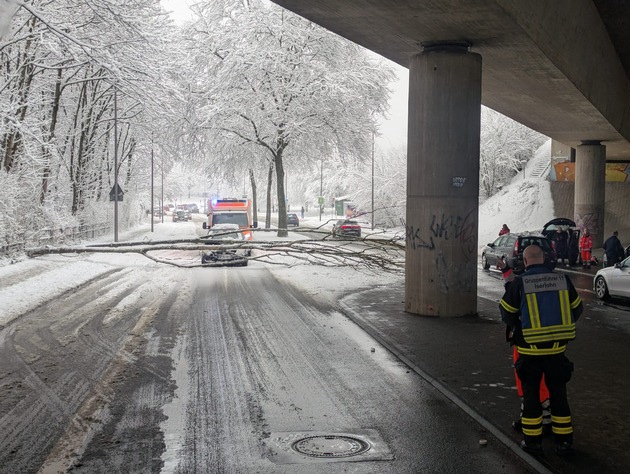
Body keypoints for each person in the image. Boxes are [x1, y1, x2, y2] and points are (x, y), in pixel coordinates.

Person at [499, 245, 583, 456]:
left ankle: (533, 443)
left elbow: (507, 312)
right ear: (544, 259)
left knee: (531, 398)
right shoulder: (563, 280)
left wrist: (520, 324)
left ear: (525, 261)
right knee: (559, 396)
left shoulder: (520, 283)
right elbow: (577, 308)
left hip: (530, 352)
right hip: (557, 351)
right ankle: (564, 443)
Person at [496, 257, 552, 435]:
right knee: (546, 381)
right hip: (553, 342)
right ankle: (548, 419)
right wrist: (506, 269)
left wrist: (516, 328)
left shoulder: (523, 282)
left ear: (526, 261)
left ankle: (534, 423)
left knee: (527, 382)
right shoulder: (556, 280)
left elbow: (507, 308)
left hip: (526, 343)